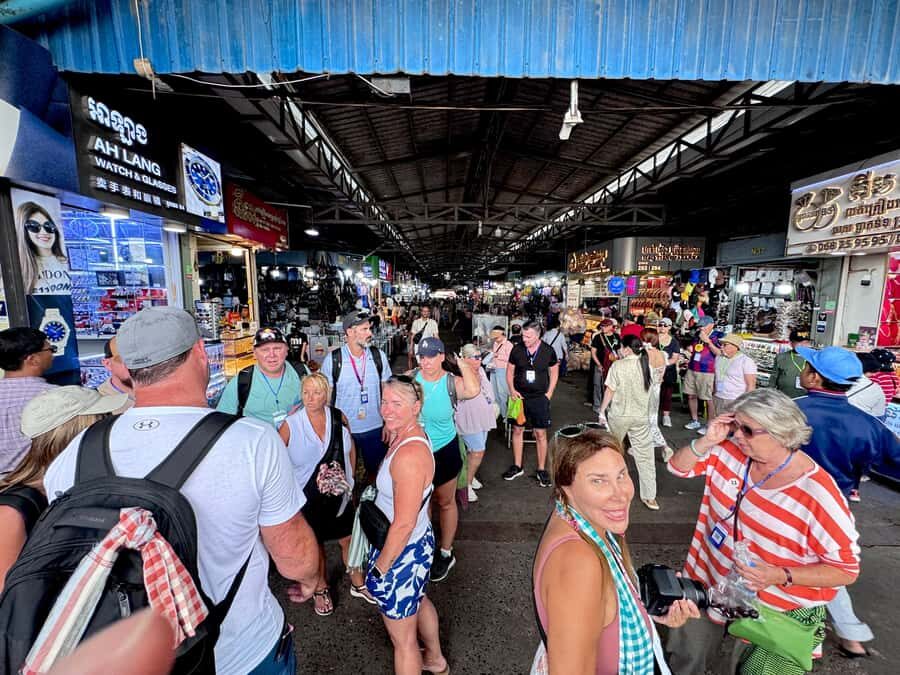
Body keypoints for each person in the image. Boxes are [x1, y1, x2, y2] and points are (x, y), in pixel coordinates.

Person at [43, 306, 320, 674]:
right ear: (200, 353)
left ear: (126, 370)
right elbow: (294, 556)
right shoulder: (252, 442)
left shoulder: (76, 452)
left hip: (132, 658)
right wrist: (312, 580)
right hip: (242, 652)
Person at [666, 389, 863, 674]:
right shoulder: (727, 452)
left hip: (768, 609)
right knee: (686, 660)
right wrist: (707, 439)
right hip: (704, 582)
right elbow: (678, 467)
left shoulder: (817, 495)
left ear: (781, 432)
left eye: (746, 430)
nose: (736, 436)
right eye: (735, 425)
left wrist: (780, 575)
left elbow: (845, 569)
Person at [533, 429, 698, 674]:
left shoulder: (580, 519)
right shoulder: (578, 564)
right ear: (565, 487)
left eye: (622, 475)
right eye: (598, 481)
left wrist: (648, 613)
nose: (620, 494)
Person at [794, 345, 899, 657]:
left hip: (786, 505)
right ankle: (849, 635)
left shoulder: (790, 411)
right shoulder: (868, 425)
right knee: (827, 567)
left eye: (807, 365)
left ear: (815, 377)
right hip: (836, 509)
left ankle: (808, 639)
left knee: (791, 571)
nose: (803, 368)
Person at [0, 386, 126, 593]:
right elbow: (9, 601)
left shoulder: (79, 488)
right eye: (103, 420)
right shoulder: (13, 509)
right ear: (78, 433)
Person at [365, 377, 449, 675]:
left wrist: (379, 569)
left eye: (396, 404)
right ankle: (436, 660)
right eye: (385, 401)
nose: (387, 410)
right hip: (415, 542)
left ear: (416, 407)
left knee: (403, 642)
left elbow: (403, 524)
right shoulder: (405, 433)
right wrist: (394, 423)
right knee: (418, 600)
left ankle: (431, 660)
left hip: (402, 550)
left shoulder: (410, 455)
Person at [279, 373, 372, 615]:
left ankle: (358, 581)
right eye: (306, 392)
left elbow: (349, 448)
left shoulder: (338, 416)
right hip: (306, 497)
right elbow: (277, 463)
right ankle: (320, 590)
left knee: (349, 540)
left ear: (326, 395)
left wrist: (350, 481)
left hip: (339, 494)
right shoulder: (291, 425)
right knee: (315, 545)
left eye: (317, 392)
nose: (310, 398)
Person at [413, 337, 480, 582]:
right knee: (422, 503)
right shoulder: (412, 380)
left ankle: (445, 552)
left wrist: (461, 363)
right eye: (422, 356)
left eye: (431, 356)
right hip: (418, 451)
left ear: (442, 356)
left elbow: (473, 390)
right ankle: (424, 546)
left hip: (444, 450)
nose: (426, 361)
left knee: (445, 501)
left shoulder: (451, 382)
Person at [322, 310, 393, 479]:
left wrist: (389, 423)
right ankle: (351, 503)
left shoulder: (378, 357)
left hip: (375, 428)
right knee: (344, 475)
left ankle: (372, 502)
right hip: (345, 430)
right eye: (364, 329)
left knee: (377, 474)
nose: (370, 333)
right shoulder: (333, 360)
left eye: (369, 328)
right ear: (350, 332)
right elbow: (325, 400)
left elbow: (388, 393)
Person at [598, 335, 660, 510]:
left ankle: (610, 491)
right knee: (646, 458)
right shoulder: (646, 365)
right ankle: (650, 497)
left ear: (626, 349)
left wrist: (602, 411)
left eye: (621, 348)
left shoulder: (618, 366)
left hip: (619, 416)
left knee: (613, 453)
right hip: (641, 417)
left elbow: (610, 391)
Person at [505, 321, 559, 487]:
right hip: (519, 397)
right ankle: (517, 465)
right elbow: (509, 371)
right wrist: (512, 390)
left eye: (528, 336)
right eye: (523, 335)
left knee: (540, 433)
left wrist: (549, 394)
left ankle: (541, 469)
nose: (525, 339)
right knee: (517, 429)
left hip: (539, 398)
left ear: (538, 335)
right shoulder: (517, 349)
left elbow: (554, 373)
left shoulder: (548, 351)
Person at [216, 327, 305, 427]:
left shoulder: (302, 372)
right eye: (265, 350)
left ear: (287, 350)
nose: (272, 355)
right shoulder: (241, 382)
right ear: (254, 353)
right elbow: (221, 424)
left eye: (277, 348)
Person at [0, 328, 56, 475]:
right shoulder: (55, 396)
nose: (53, 354)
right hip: (37, 485)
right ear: (32, 359)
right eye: (51, 349)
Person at [456, 344, 497, 502]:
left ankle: (469, 477)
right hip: (468, 417)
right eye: (476, 357)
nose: (479, 360)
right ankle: (465, 485)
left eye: (480, 357)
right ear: (465, 359)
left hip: (483, 416)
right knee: (478, 450)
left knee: (476, 451)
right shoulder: (460, 374)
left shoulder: (480, 370)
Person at [16, 201, 70, 296]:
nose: (44, 232)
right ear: (23, 231)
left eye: (48, 226)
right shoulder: (20, 267)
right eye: (33, 226)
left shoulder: (66, 262)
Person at [683, 316, 723, 434]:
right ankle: (694, 420)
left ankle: (710, 424)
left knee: (708, 398)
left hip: (707, 371)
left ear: (711, 325)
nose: (701, 328)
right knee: (691, 395)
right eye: (700, 326)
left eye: (703, 326)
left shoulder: (719, 336)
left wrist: (708, 341)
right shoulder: (697, 335)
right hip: (692, 368)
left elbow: (720, 353)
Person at [642, 328, 673, 461]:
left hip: (644, 390)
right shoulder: (663, 355)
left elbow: (641, 375)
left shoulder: (643, 355)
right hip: (656, 390)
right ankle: (655, 447)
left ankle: (664, 447)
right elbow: (661, 376)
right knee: (652, 419)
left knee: (645, 420)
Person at [712, 334, 757, 413]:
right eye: (721, 344)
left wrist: (746, 403)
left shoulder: (746, 361)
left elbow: (751, 385)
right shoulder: (719, 357)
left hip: (735, 399)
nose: (721, 347)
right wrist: (714, 393)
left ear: (735, 346)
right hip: (718, 396)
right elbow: (716, 376)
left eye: (725, 345)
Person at [588, 319, 621, 412]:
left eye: (605, 326)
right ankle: (597, 405)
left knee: (611, 385)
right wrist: (598, 364)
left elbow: (619, 350)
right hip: (600, 364)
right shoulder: (598, 337)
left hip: (613, 365)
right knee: (598, 385)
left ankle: (609, 404)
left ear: (611, 327)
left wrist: (619, 360)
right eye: (602, 326)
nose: (602, 328)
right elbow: (593, 352)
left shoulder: (617, 337)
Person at [96, 337, 134, 414]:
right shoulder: (97, 405)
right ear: (107, 364)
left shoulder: (161, 393)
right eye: (125, 359)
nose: (135, 365)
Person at [485, 325, 514, 424]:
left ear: (502, 334)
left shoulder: (508, 344)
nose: (495, 339)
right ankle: (498, 414)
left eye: (497, 337)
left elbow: (511, 359)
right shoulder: (495, 343)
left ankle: (506, 415)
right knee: (495, 393)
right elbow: (494, 355)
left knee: (503, 394)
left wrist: (497, 355)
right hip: (494, 369)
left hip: (503, 370)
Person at [656, 318, 681, 428]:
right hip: (655, 369)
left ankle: (666, 415)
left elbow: (675, 358)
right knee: (654, 393)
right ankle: (652, 414)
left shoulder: (674, 341)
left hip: (668, 370)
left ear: (670, 327)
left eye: (665, 325)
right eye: (660, 325)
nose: (662, 327)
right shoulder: (654, 339)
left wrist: (664, 364)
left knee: (667, 394)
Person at [770, 330, 809, 398]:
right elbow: (774, 378)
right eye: (799, 342)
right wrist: (770, 394)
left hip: (806, 399)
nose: (803, 345)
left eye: (805, 342)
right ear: (791, 343)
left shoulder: (814, 358)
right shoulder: (781, 357)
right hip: (784, 398)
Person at [847, 353, 886, 418]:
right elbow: (879, 414)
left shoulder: (837, 379)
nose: (873, 374)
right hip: (859, 422)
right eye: (872, 371)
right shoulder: (876, 388)